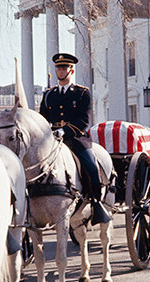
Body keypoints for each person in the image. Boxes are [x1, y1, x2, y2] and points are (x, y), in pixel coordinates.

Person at [39, 53, 111, 224]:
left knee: (91, 167)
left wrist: (64, 131)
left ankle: (96, 202)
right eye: (58, 68)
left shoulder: (81, 93)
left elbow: (83, 120)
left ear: (71, 70)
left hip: (75, 138)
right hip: (52, 139)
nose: (60, 71)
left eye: (64, 68)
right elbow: (43, 117)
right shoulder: (49, 94)